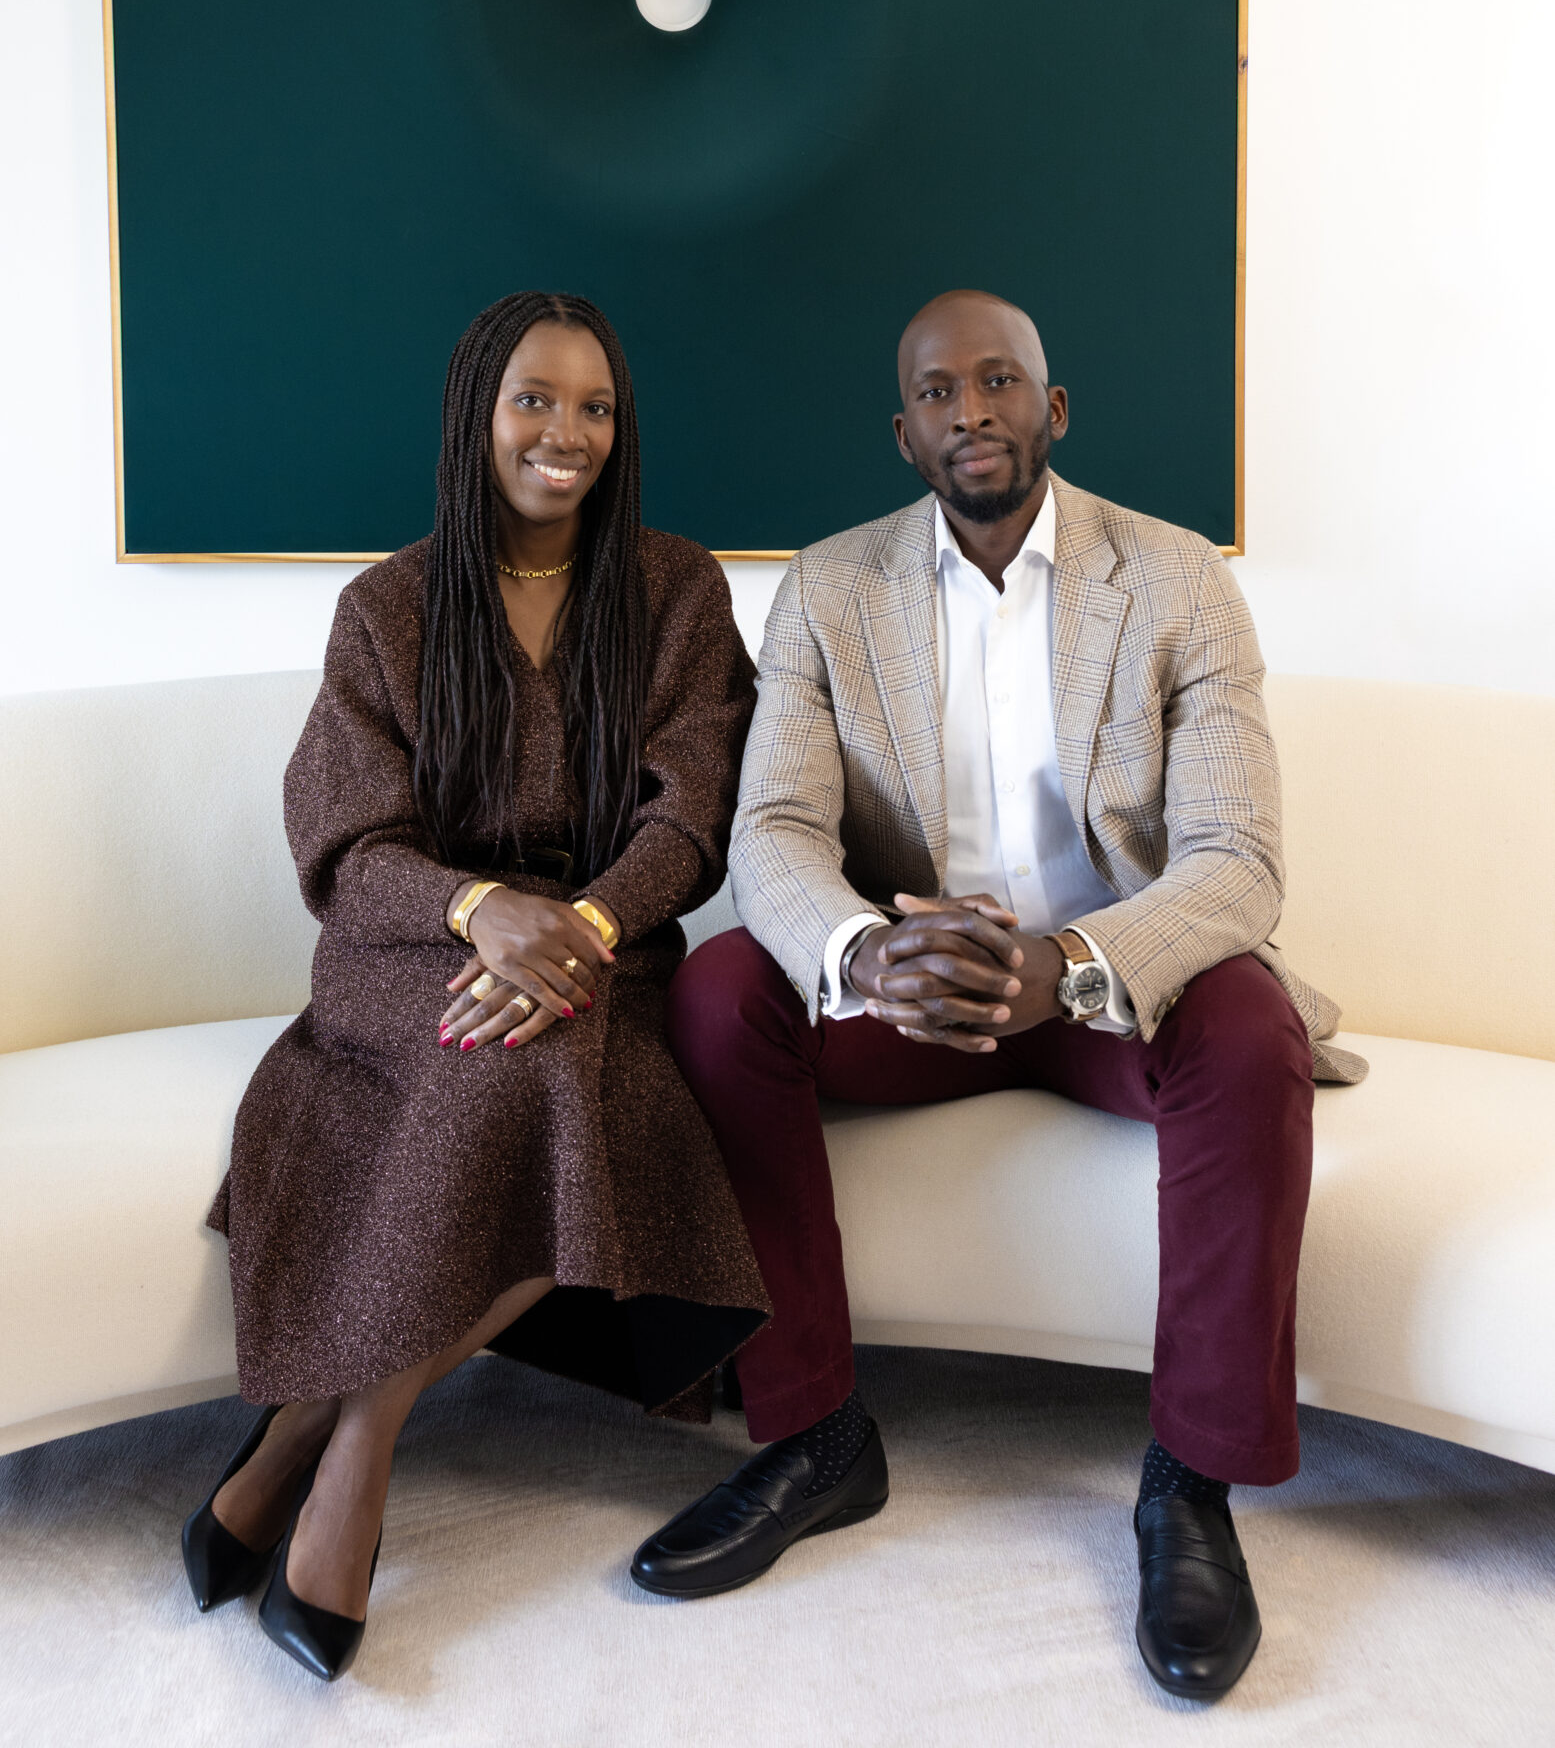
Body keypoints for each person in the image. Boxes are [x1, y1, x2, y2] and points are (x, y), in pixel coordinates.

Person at [636, 288, 1363, 1705]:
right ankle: (813, 1438)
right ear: (902, 434)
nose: (971, 411)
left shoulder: (1174, 580)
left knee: (1251, 1025)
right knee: (725, 992)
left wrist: (1074, 963)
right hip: (915, 988)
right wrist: (861, 952)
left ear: (1055, 408)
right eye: (938, 392)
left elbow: (1237, 860)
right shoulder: (830, 588)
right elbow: (773, 831)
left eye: (1000, 382)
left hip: (1103, 984)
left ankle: (1193, 1487)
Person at [182, 291, 767, 1680]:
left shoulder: (679, 591)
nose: (565, 433)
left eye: (595, 409)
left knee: (552, 1052)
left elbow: (689, 822)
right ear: (476, 414)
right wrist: (476, 908)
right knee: (501, 1052)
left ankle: (337, 1438)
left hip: (603, 952)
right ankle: (333, 1446)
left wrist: (580, 930)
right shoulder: (386, 607)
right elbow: (342, 837)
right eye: (534, 400)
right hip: (409, 955)